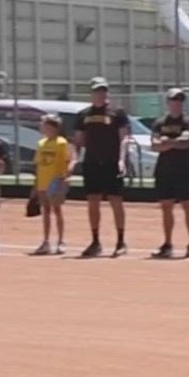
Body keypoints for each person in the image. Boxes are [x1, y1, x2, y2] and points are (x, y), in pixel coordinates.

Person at [71, 77, 132, 258]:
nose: (101, 94)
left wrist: (122, 160)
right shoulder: (83, 115)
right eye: (97, 90)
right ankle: (95, 241)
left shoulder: (118, 113)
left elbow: (124, 138)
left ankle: (121, 241)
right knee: (93, 201)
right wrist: (74, 159)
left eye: (104, 90)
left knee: (116, 201)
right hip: (92, 162)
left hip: (112, 162)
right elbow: (78, 140)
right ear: (91, 93)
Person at [149, 88, 189, 259]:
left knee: (187, 206)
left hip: (184, 169)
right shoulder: (159, 123)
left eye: (179, 101)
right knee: (166, 207)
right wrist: (172, 143)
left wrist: (167, 142)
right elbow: (154, 145)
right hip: (164, 170)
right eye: (173, 100)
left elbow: (186, 142)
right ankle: (167, 244)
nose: (176, 104)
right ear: (168, 103)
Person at [31, 113, 71, 255]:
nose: (42, 127)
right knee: (45, 211)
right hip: (43, 181)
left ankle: (61, 241)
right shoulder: (41, 143)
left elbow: (66, 162)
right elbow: (38, 165)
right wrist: (35, 185)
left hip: (55, 180)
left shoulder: (61, 142)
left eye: (44, 125)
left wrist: (64, 180)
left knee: (57, 210)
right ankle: (46, 241)